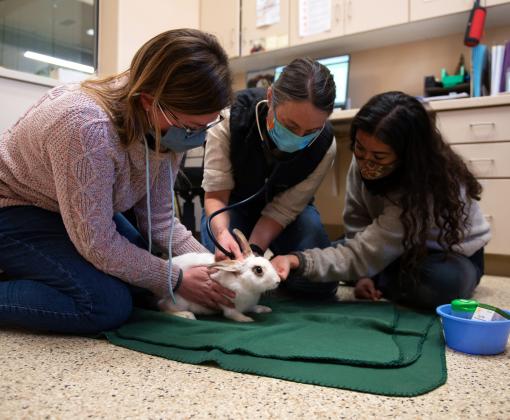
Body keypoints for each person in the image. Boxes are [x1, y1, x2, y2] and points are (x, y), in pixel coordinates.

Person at [0, 29, 236, 334]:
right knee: (105, 304)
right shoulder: (86, 126)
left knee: (140, 280)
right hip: (13, 209)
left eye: (206, 126)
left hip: (61, 210)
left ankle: (38, 270)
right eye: (191, 127)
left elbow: (160, 222)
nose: (197, 137)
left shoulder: (167, 124)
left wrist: (211, 264)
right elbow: (97, 244)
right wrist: (175, 279)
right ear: (151, 102)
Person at [271, 91, 491, 310]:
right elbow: (357, 229)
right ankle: (376, 271)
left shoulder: (425, 182)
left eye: (378, 157)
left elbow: (364, 251)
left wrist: (298, 260)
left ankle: (380, 274)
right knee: (326, 256)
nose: (365, 163)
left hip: (446, 254)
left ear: (407, 155)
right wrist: (362, 272)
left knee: (443, 284)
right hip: (388, 242)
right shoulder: (366, 160)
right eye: (359, 149)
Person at [200, 57, 338, 299]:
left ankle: (276, 284)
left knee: (321, 284)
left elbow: (282, 211)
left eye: (311, 131)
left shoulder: (325, 146)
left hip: (289, 215)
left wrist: (252, 252)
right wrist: (223, 234)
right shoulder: (229, 120)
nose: (299, 137)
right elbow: (216, 196)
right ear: (272, 97)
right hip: (232, 206)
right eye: (291, 125)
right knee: (221, 274)